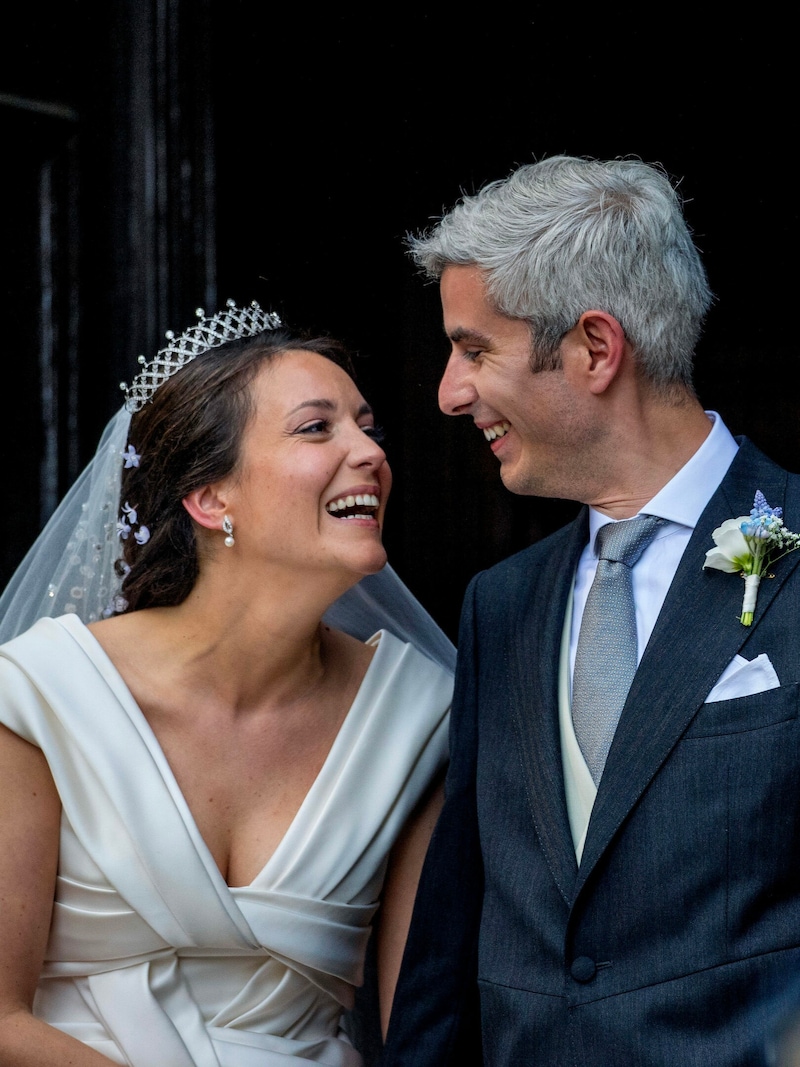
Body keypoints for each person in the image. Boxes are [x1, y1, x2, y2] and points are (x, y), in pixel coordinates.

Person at [380, 156, 800, 1066]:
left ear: (596, 349)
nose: (449, 393)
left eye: (474, 349)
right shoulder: (502, 603)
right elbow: (453, 939)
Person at [0, 300, 455, 1066]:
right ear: (211, 499)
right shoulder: (41, 697)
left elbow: (421, 1032)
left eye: (365, 426)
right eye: (319, 428)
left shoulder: (418, 717)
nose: (370, 451)